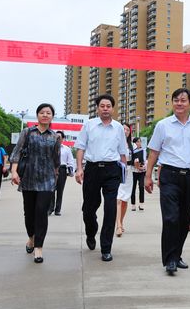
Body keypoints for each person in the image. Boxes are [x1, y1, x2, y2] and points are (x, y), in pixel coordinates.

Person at [145, 88, 190, 276]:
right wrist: (148, 175)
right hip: (169, 175)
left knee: (185, 220)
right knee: (170, 218)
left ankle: (177, 254)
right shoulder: (163, 125)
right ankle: (170, 260)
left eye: (183, 100)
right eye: (176, 100)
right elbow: (154, 152)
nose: (179, 103)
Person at [74, 94, 128, 262]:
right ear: (97, 108)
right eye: (102, 106)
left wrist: (124, 173)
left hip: (112, 171)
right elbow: (81, 148)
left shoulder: (118, 128)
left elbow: (123, 153)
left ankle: (106, 247)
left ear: (113, 108)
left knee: (111, 208)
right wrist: (79, 168)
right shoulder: (89, 126)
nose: (105, 108)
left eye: (108, 106)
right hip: (92, 169)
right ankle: (91, 232)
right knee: (89, 208)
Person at [10, 103, 60, 264]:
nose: (45, 115)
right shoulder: (27, 132)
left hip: (47, 180)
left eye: (48, 113)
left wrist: (56, 178)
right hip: (29, 178)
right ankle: (31, 237)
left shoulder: (55, 137)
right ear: (37, 115)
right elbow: (16, 152)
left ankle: (38, 247)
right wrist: (14, 171)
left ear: (52, 116)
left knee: (41, 212)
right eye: (42, 112)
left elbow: (56, 160)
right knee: (29, 213)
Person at [48, 131, 74, 216]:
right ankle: (50, 208)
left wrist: (71, 171)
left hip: (62, 170)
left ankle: (57, 210)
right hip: (51, 169)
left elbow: (70, 161)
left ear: (63, 139)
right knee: (51, 190)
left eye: (59, 137)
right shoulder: (50, 147)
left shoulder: (66, 149)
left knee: (60, 190)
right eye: (56, 137)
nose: (57, 139)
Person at [115, 124, 134, 237]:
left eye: (127, 129)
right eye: (123, 129)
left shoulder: (131, 145)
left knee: (125, 200)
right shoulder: (115, 142)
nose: (125, 131)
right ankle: (118, 225)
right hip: (117, 172)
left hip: (129, 173)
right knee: (118, 199)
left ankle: (121, 221)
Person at [131, 137, 146, 211]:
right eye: (137, 142)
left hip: (142, 171)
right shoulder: (132, 151)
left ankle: (141, 204)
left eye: (140, 142)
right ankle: (133, 205)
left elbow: (145, 160)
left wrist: (143, 166)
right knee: (133, 188)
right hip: (134, 171)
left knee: (141, 187)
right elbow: (131, 161)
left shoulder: (144, 150)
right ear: (134, 143)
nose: (139, 143)